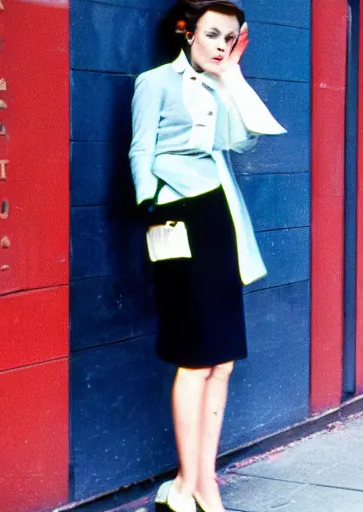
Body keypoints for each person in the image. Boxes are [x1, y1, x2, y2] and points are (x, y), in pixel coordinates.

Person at [128, 1, 285, 510]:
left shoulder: (220, 85)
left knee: (222, 362)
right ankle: (192, 484)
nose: (220, 44)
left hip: (220, 218)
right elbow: (140, 149)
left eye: (230, 38)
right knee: (195, 360)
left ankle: (195, 481)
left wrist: (231, 76)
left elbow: (245, 139)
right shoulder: (155, 82)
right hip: (177, 217)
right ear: (188, 32)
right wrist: (150, 205)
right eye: (213, 34)